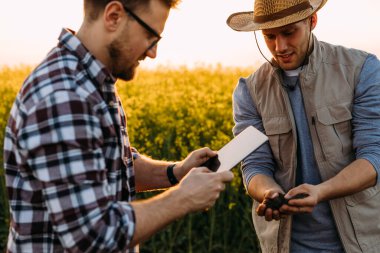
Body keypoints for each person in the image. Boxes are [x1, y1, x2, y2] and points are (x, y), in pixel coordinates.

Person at [3, 0, 234, 252]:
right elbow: (94, 236)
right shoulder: (65, 95)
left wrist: (176, 172)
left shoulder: (91, 81)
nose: (152, 52)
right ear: (114, 16)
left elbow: (113, 166)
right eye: (150, 36)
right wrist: (183, 198)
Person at [227, 0, 380, 252]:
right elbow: (254, 165)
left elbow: (374, 156)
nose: (280, 47)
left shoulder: (362, 70)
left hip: (360, 242)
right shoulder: (249, 92)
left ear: (312, 21)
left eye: (289, 33)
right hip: (287, 245)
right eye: (269, 36)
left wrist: (322, 191)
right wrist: (269, 193)